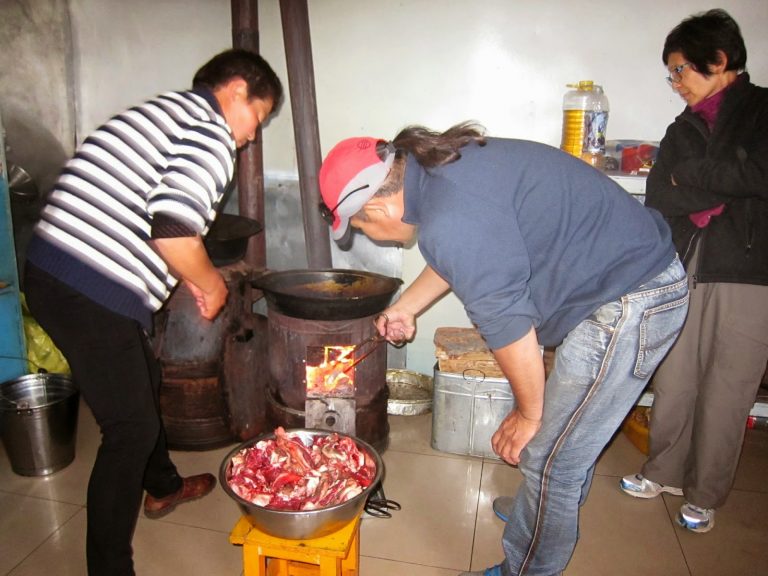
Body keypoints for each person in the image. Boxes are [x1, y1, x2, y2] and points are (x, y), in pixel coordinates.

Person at [318, 123, 689, 576]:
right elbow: (463, 253)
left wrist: (530, 416)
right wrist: (408, 307)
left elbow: (510, 328)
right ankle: (542, 509)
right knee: (565, 440)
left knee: (550, 455)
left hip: (634, 299)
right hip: (619, 283)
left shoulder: (452, 216)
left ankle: (527, 563)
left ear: (376, 202)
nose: (367, 235)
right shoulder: (435, 173)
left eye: (359, 224)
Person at [23, 49, 282, 575]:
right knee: (130, 431)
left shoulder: (159, 113)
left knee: (147, 372)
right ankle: (110, 568)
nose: (253, 135)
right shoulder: (210, 133)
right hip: (88, 286)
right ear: (236, 91)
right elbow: (173, 229)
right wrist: (210, 284)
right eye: (259, 116)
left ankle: (162, 487)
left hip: (54, 270)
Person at [620, 9, 768, 534]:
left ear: (720, 61)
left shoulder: (762, 109)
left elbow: (760, 173)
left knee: (729, 385)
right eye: (673, 73)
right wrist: (721, 187)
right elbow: (660, 196)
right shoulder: (681, 127)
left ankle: (705, 493)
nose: (675, 82)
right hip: (684, 266)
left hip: (748, 272)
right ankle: (662, 470)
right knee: (675, 376)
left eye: (681, 70)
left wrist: (693, 177)